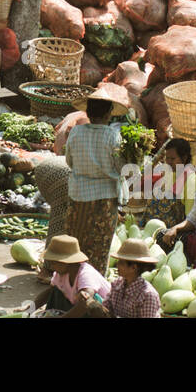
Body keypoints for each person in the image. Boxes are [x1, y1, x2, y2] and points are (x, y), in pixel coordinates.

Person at [65, 93, 122, 267]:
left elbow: (69, 161)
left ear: (88, 113)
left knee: (75, 242)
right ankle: (93, 285)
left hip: (78, 195)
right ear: (108, 114)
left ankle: (70, 282)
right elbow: (120, 166)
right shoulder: (113, 135)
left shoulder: (76, 131)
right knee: (99, 246)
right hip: (104, 198)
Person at [34, 235, 111, 318]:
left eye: (54, 263)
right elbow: (49, 292)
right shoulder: (61, 273)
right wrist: (31, 307)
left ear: (66, 262)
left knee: (86, 299)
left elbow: (86, 302)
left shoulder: (86, 273)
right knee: (56, 291)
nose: (52, 267)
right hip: (76, 308)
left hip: (103, 313)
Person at [142, 138, 196, 227]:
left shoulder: (191, 180)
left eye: (172, 159)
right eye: (167, 158)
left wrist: (174, 230)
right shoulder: (168, 174)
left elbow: (191, 219)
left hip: (172, 235)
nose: (168, 162)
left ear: (184, 158)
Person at [105, 239, 163, 318]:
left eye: (121, 263)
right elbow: (106, 308)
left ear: (133, 267)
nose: (117, 265)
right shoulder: (117, 284)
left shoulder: (147, 295)